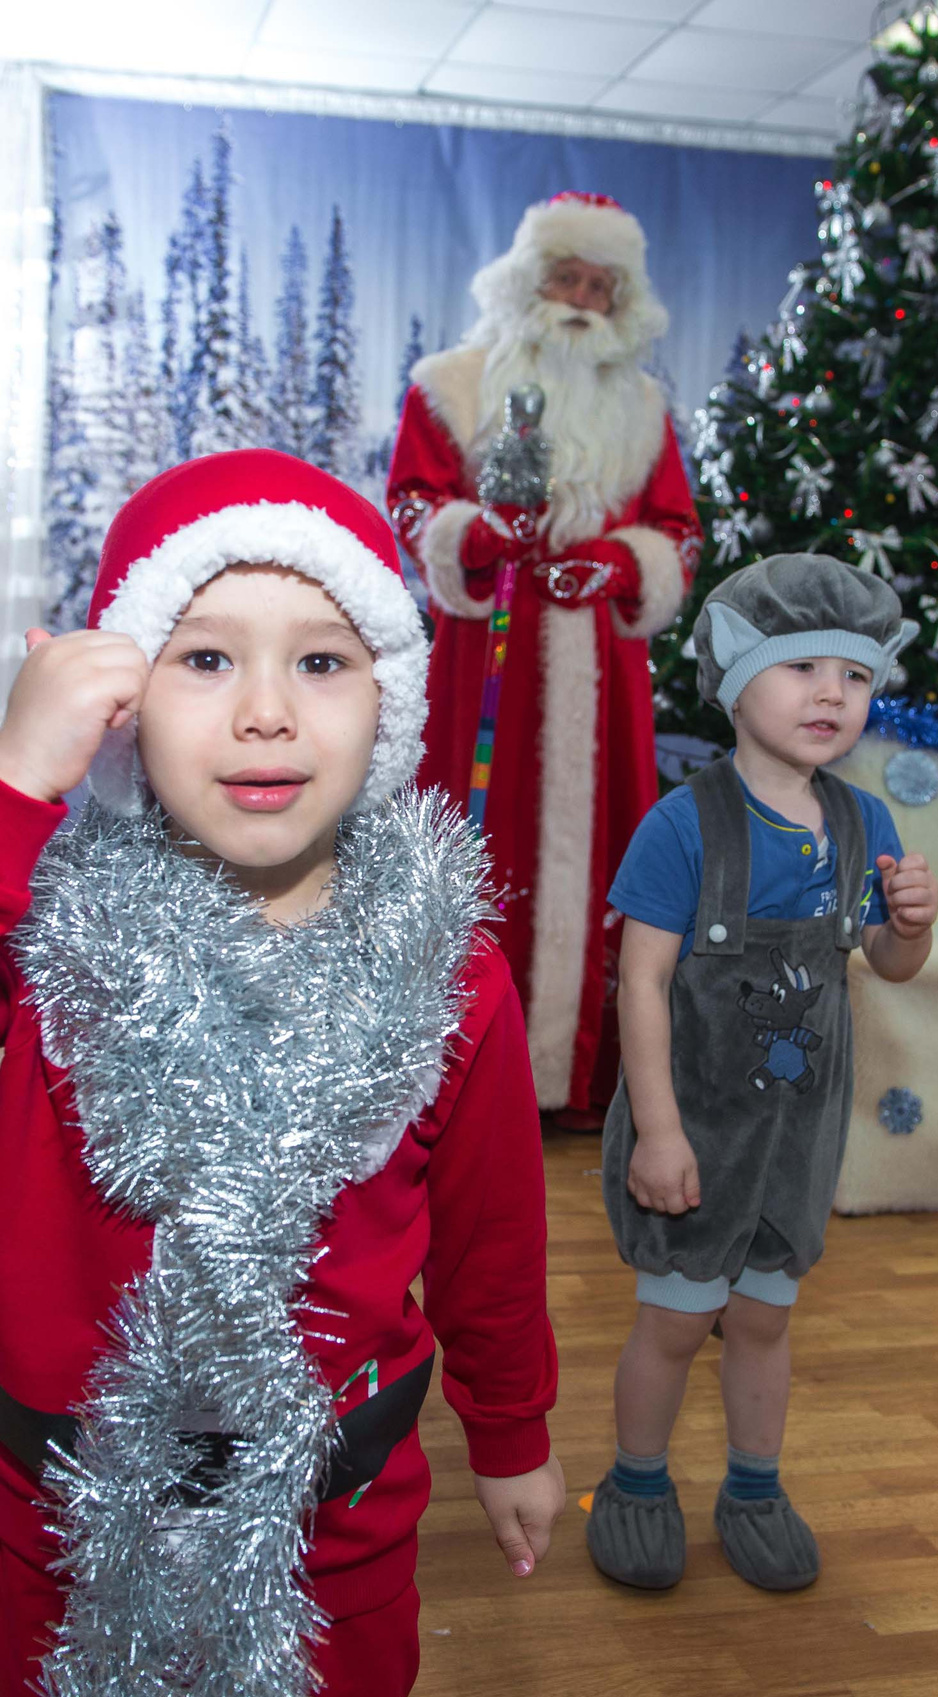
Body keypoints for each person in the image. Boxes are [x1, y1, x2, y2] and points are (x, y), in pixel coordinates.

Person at [0, 450, 562, 1697]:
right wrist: (6, 786)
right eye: (204, 658)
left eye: (321, 660)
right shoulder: (54, 922)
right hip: (67, 1519)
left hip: (339, 1520)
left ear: (392, 698)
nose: (266, 712)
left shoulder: (449, 965)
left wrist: (513, 1431)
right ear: (116, 695)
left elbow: (490, 1237)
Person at [586, 554, 934, 1595]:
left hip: (798, 1130)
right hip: (696, 1123)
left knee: (764, 1316)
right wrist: (657, 1130)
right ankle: (637, 1480)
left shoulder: (866, 823)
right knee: (678, 1317)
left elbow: (889, 962)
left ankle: (754, 1483)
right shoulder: (682, 824)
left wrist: (910, 923)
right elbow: (638, 984)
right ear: (735, 679)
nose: (833, 693)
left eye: (856, 675)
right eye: (803, 668)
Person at [387, 190, 702, 1127]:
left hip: (606, 679)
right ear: (528, 283)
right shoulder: (451, 385)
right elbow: (411, 503)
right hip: (492, 661)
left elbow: (677, 531)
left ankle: (586, 1078)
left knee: (611, 854)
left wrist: (617, 560)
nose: (580, 300)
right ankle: (461, 1069)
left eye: (600, 286)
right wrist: (478, 534)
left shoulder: (643, 409)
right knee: (475, 846)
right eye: (565, 277)